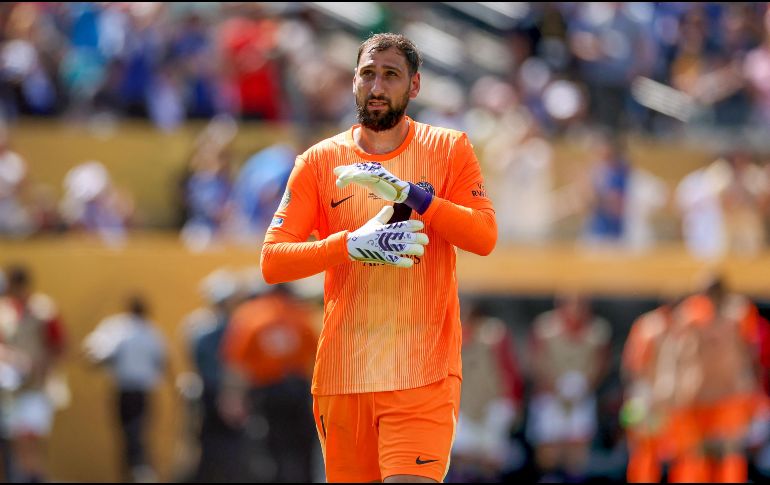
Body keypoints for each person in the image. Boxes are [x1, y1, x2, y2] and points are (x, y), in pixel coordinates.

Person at [260, 33, 497, 483]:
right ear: (353, 80)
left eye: (391, 75)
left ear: (415, 85)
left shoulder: (449, 148)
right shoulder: (318, 161)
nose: (377, 86)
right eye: (368, 73)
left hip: (422, 375)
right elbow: (273, 261)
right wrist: (348, 246)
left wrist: (416, 197)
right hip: (343, 377)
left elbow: (484, 237)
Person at [221, 276, 318, 483]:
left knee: (268, 451)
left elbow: (238, 363)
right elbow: (317, 356)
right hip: (298, 391)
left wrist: (232, 397)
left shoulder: (249, 315)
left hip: (266, 392)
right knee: (302, 452)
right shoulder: (301, 313)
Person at [526, 293, 612, 482]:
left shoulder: (598, 330)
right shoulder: (545, 327)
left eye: (580, 303)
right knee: (548, 449)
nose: (575, 308)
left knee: (577, 448)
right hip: (549, 394)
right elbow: (536, 361)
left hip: (581, 394)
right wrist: (553, 387)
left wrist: (585, 387)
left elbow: (602, 363)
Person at [82, 295, 168, 483]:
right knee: (137, 435)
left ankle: (136, 474)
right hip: (143, 392)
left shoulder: (120, 330)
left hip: (126, 391)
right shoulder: (152, 332)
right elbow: (162, 362)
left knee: (130, 436)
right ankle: (138, 473)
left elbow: (98, 354)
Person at [0, 264, 66, 483]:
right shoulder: (5, 311)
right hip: (11, 389)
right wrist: (12, 359)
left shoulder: (43, 310)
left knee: (30, 441)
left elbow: (60, 346)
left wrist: (41, 366)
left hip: (37, 387)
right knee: (20, 445)